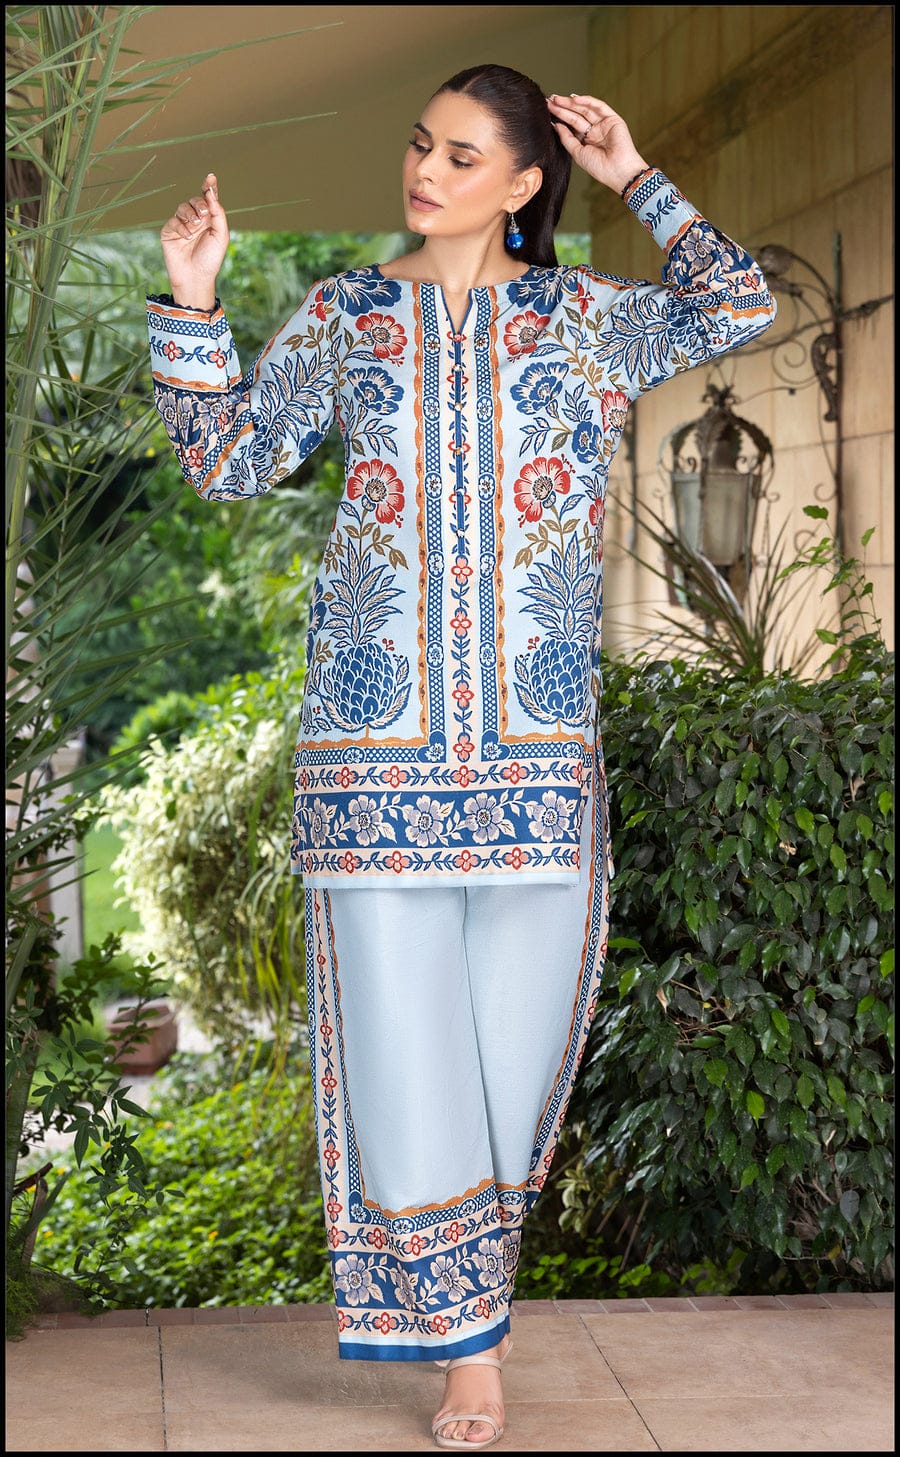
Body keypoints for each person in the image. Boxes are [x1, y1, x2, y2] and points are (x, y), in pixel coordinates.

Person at [149, 63, 776, 1451]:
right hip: (372, 750)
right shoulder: (346, 315)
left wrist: (638, 180)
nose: (424, 171)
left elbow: (742, 305)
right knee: (407, 1049)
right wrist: (193, 302)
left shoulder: (586, 319)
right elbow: (230, 461)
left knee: (513, 1048)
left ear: (522, 182)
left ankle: (468, 1303)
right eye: (419, 146)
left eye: (459, 155)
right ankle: (470, 1354)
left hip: (539, 753)